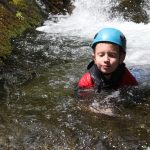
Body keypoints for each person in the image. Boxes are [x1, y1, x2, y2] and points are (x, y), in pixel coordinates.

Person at [77, 27, 138, 92]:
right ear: (94, 58)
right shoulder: (86, 81)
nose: (106, 60)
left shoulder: (127, 78)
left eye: (112, 55)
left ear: (121, 58)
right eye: (101, 55)